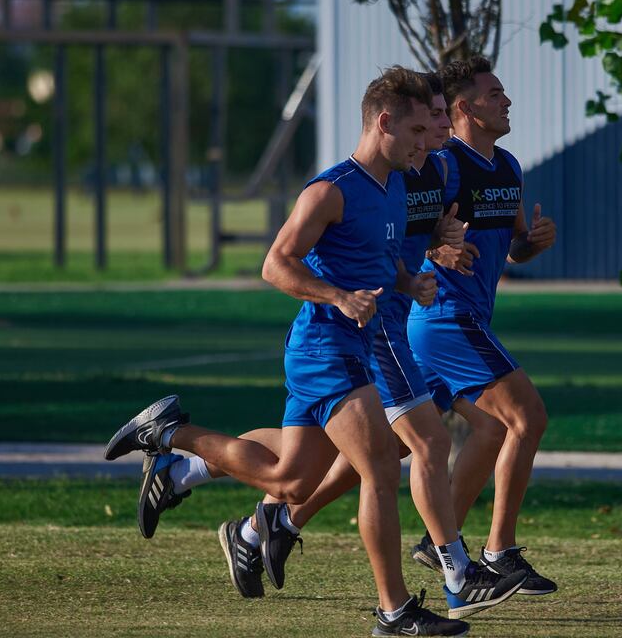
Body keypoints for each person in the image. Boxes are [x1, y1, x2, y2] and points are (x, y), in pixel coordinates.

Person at [131, 73, 526, 622]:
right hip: (326, 346)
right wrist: (338, 296)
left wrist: (410, 281)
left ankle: (170, 439)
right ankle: (407, 602)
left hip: (353, 344)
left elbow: (380, 257)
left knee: (292, 479)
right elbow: (275, 264)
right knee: (386, 464)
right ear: (384, 122)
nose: (426, 138)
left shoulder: (392, 185)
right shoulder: (331, 189)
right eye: (417, 126)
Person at [405, 56, 559, 597]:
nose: (507, 101)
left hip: (457, 323)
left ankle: (268, 522)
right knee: (528, 416)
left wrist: (531, 243)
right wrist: (435, 250)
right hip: (445, 318)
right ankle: (499, 553)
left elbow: (513, 247)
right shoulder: (443, 165)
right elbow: (404, 228)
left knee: (372, 453)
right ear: (466, 107)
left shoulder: (509, 166)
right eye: (496, 94)